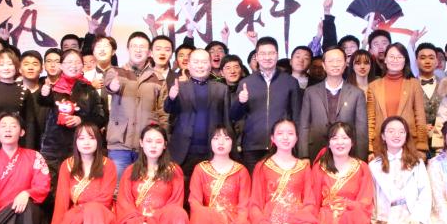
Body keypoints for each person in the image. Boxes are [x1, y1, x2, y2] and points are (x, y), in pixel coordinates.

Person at [248, 119, 322, 224]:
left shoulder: (303, 167)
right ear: (272, 138)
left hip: (296, 222)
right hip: (270, 223)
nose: (285, 137)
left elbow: (310, 203)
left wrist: (290, 223)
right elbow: (254, 204)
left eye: (290, 133)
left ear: (296, 138)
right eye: (280, 133)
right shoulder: (262, 166)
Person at [113, 124, 188, 224]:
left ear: (165, 145)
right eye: (149, 141)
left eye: (158, 142)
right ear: (141, 143)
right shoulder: (130, 171)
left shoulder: (174, 171)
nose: (153, 146)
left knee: (177, 213)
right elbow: (124, 203)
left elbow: (175, 203)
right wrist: (139, 223)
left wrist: (153, 223)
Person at [312, 121, 382, 224]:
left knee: (348, 218)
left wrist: (348, 206)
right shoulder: (319, 167)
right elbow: (314, 200)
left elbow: (365, 200)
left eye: (344, 138)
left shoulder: (362, 167)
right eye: (335, 138)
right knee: (331, 218)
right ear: (328, 143)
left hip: (353, 217)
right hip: (326, 218)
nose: (340, 142)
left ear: (352, 142)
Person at [48, 123, 118, 224]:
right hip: (76, 222)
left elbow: (105, 200)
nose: (86, 142)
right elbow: (61, 203)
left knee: (94, 208)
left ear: (98, 141)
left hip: (101, 218)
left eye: (91, 138)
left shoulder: (108, 165)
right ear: (76, 142)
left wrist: (77, 213)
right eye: (81, 138)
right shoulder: (67, 165)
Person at [184, 126, 253, 224]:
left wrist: (239, 221)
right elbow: (194, 200)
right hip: (207, 218)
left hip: (232, 218)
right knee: (209, 220)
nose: (221, 142)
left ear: (233, 143)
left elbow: (244, 203)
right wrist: (209, 215)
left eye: (226, 138)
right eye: (216, 138)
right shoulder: (200, 169)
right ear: (210, 142)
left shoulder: (241, 171)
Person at [369, 116, 432, 224]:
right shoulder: (374, 166)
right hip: (387, 219)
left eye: (401, 132)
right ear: (383, 136)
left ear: (406, 136)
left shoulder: (417, 163)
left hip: (410, 217)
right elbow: (372, 198)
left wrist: (417, 217)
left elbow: (425, 195)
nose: (396, 135)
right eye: (391, 131)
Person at [230, 37, 302, 171]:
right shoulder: (246, 82)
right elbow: (234, 116)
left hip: (282, 146)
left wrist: (297, 146)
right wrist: (240, 102)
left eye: (271, 53)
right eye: (263, 54)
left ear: (277, 55)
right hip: (252, 146)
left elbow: (297, 116)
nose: (267, 57)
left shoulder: (290, 82)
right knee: (255, 183)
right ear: (256, 57)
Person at [37, 48, 107, 182]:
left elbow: (101, 117)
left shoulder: (89, 90)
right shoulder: (53, 88)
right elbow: (43, 102)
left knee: (77, 185)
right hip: (54, 148)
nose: (73, 65)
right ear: (61, 66)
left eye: (77, 62)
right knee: (52, 185)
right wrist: (44, 93)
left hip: (80, 148)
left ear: (82, 66)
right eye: (69, 62)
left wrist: (81, 119)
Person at [105, 32, 167, 177]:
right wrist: (112, 86)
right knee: (118, 187)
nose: (138, 50)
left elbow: (163, 113)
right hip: (119, 144)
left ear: (149, 52)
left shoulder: (158, 79)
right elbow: (108, 85)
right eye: (134, 46)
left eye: (142, 47)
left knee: (144, 186)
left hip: (147, 146)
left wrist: (161, 138)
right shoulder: (116, 72)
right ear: (128, 49)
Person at [162, 49, 230, 180]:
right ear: (188, 65)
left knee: (211, 188)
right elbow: (169, 110)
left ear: (210, 64)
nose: (200, 66)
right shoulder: (179, 87)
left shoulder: (221, 89)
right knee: (182, 187)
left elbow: (226, 121)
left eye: (204, 62)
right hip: (183, 150)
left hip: (212, 151)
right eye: (196, 62)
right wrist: (171, 98)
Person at [298, 46, 368, 161]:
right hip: (315, 151)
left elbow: (361, 130)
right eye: (331, 61)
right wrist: (304, 155)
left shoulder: (357, 94)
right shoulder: (310, 92)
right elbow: (304, 126)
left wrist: (361, 159)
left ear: (345, 64)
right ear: (324, 65)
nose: (335, 64)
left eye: (339, 61)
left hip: (348, 154)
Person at [366, 43, 428, 157]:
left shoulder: (414, 84)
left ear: (405, 60)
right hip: (381, 145)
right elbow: (371, 119)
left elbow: (420, 117)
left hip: (409, 145)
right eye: (392, 56)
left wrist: (422, 146)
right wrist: (369, 148)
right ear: (385, 59)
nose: (395, 60)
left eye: (399, 57)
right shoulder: (373, 86)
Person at [0, 49, 38, 159]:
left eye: (10, 64)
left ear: (16, 67)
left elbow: (30, 123)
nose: (6, 68)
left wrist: (29, 150)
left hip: (17, 143)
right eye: (1, 65)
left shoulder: (24, 91)